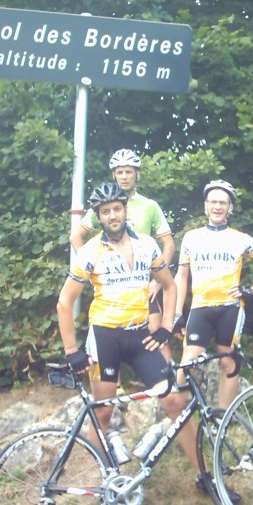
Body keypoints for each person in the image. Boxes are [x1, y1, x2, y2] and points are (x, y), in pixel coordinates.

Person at [57, 182, 202, 478]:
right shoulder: (89, 250)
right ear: (99, 217)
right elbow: (64, 301)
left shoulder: (147, 244)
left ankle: (207, 477)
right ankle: (103, 488)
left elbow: (169, 285)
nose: (112, 215)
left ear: (125, 210)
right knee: (104, 413)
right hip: (105, 338)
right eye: (106, 211)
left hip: (140, 337)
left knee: (175, 401)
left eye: (117, 209)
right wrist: (72, 350)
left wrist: (166, 325)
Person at [174, 179, 253, 408]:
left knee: (228, 363)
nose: (217, 206)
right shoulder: (191, 237)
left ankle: (223, 420)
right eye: (213, 202)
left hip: (230, 308)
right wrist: (176, 313)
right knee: (188, 361)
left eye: (223, 202)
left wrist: (251, 291)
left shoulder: (241, 239)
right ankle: (178, 416)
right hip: (200, 308)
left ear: (230, 207)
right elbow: (181, 276)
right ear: (205, 206)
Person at [70, 148, 175, 361]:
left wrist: (157, 279)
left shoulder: (150, 206)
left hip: (142, 282)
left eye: (128, 171)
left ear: (138, 174)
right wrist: (93, 269)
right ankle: (115, 388)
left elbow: (168, 243)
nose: (124, 177)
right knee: (108, 335)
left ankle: (168, 381)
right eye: (120, 172)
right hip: (112, 284)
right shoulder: (102, 204)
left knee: (156, 328)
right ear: (114, 175)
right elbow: (75, 237)